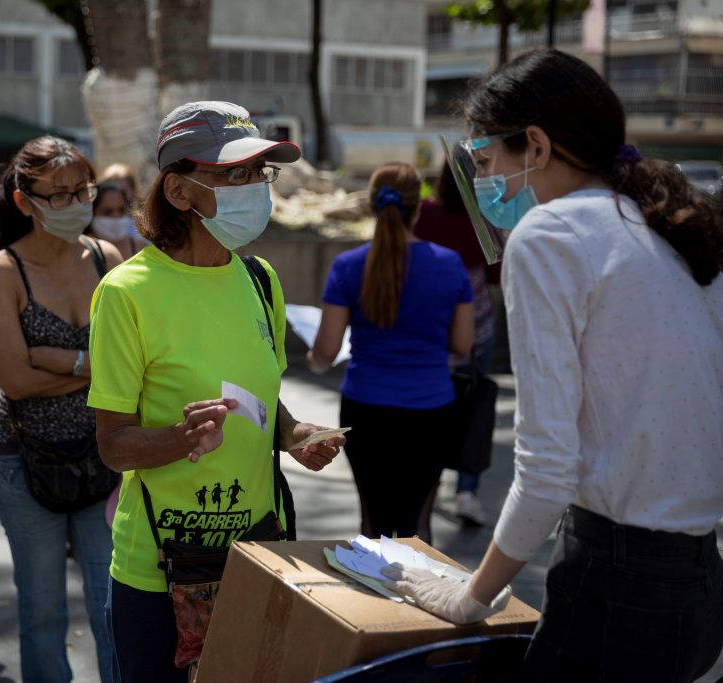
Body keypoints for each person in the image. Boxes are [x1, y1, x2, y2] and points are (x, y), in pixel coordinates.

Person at [385, 49, 723, 682]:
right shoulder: (674, 229)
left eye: (484, 162)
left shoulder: (549, 236)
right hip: (699, 582)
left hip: (616, 583)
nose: (481, 182)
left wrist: (469, 596)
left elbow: (546, 469)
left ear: (534, 146)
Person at [88, 101, 345, 683]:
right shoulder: (127, 292)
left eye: (260, 173)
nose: (254, 187)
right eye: (234, 175)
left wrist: (296, 433)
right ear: (178, 191)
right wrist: (179, 440)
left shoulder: (261, 280)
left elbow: (261, 397)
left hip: (258, 556)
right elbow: (113, 444)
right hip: (161, 569)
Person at [0, 136, 122, 683]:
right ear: (25, 201)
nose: (76, 204)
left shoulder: (108, 258)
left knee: (111, 603)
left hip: (104, 455)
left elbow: (132, 363)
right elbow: (14, 380)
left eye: (82, 190)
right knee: (42, 613)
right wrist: (93, 365)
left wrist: (62, 360)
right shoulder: (2, 270)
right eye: (58, 194)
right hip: (26, 464)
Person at [307, 162, 475, 543]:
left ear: (371, 206)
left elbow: (326, 351)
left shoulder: (347, 267)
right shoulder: (449, 266)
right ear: (419, 208)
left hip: (366, 409)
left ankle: (369, 602)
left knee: (373, 526)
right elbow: (463, 346)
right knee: (418, 528)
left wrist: (314, 359)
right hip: (432, 411)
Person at [415, 162, 501, 526]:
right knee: (474, 409)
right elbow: (495, 275)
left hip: (429, 327)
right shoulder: (485, 220)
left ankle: (427, 485)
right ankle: (466, 491)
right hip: (477, 328)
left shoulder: (425, 215)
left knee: (430, 408)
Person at [88, 181, 148, 259]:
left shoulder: (142, 249)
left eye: (121, 210)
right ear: (92, 212)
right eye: (107, 212)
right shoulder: (82, 251)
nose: (116, 217)